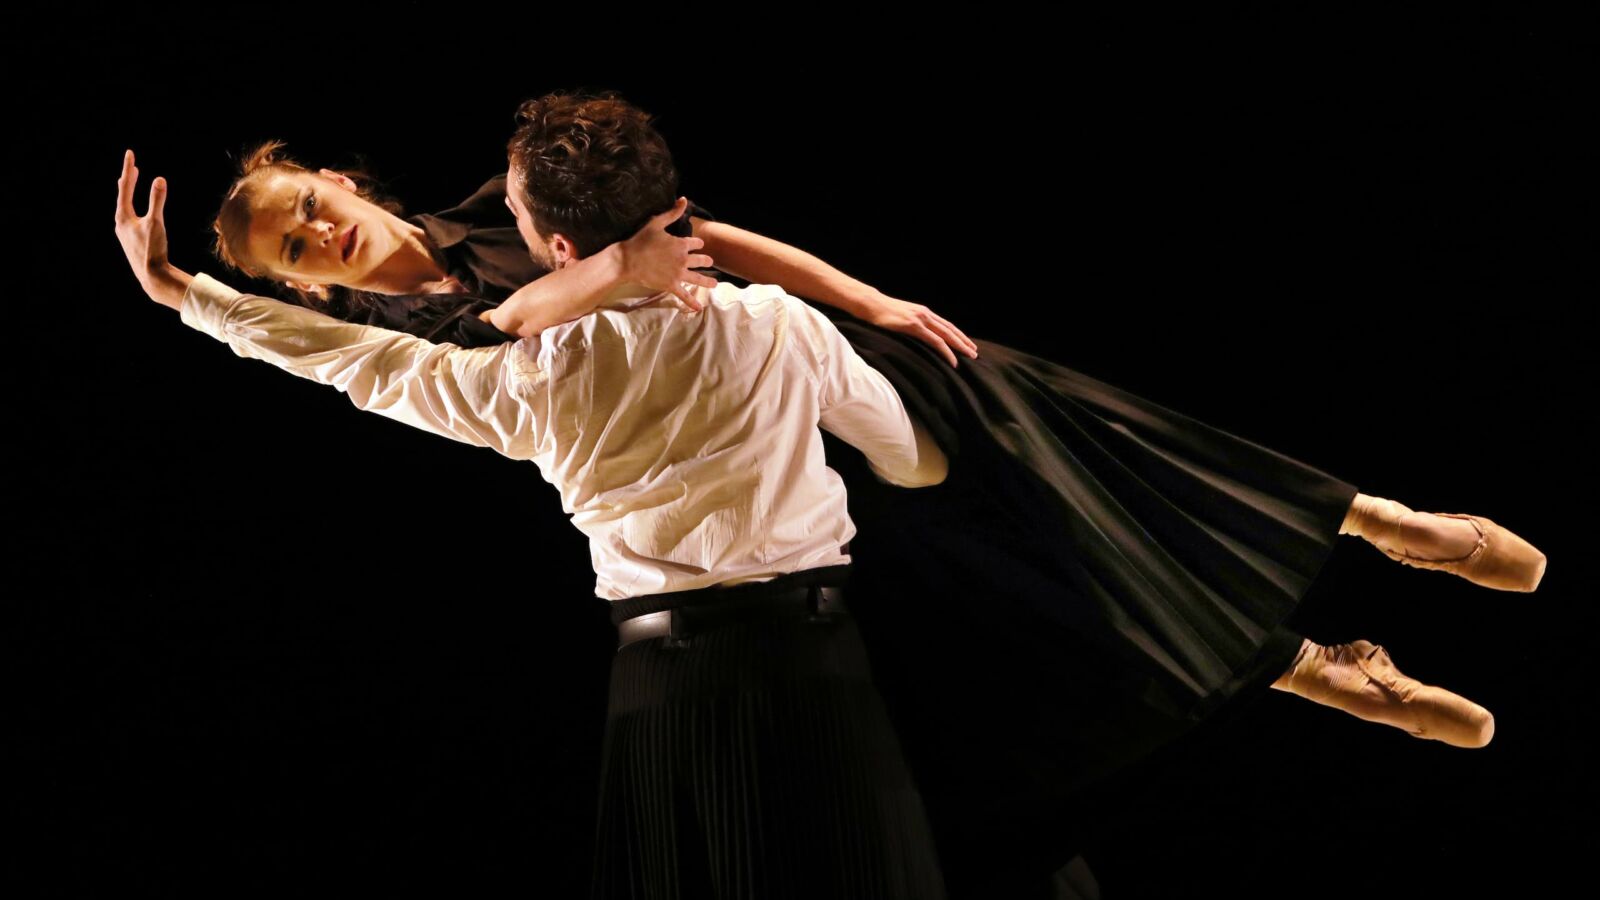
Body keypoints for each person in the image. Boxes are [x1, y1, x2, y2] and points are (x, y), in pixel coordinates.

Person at [130, 90, 1548, 897]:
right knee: (1031, 586)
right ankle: (1306, 657)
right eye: (294, 255)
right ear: (302, 286)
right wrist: (195, 293)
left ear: (338, 180)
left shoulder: (492, 214)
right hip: (781, 469)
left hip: (796, 385)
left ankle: (1368, 524)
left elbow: (711, 238)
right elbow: (510, 329)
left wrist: (867, 296)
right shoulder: (434, 326)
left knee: (1042, 411)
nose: (318, 236)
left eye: (307, 207)